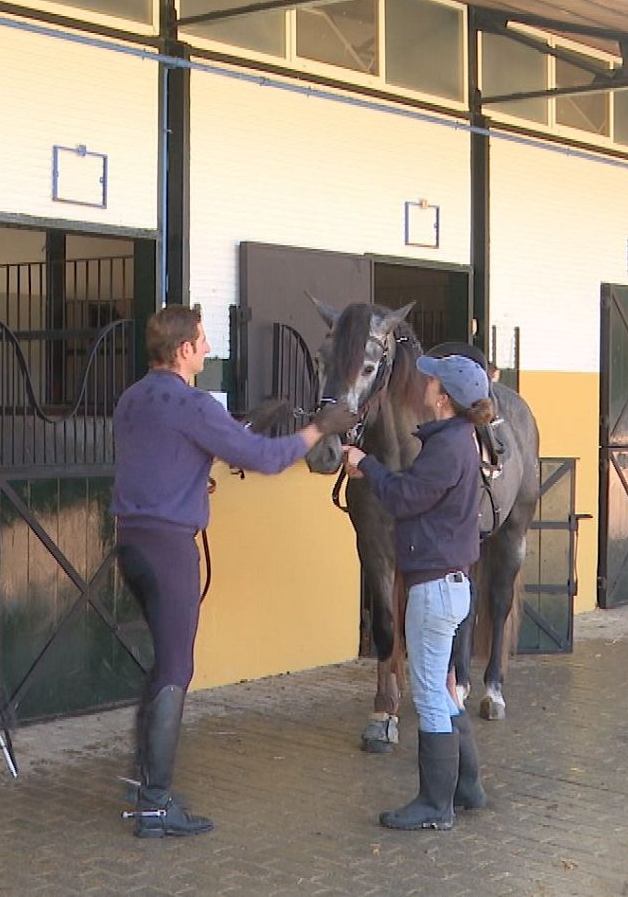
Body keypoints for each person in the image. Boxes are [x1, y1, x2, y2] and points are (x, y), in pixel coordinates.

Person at [111, 305, 359, 838]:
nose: (207, 350)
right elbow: (266, 460)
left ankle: (147, 783)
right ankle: (154, 806)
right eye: (201, 342)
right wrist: (321, 427)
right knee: (176, 669)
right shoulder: (192, 402)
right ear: (182, 351)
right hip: (170, 549)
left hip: (131, 543)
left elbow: (177, 450)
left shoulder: (132, 398)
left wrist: (243, 426)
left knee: (162, 665)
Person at [342, 353, 490, 831]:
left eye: (434, 380)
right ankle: (467, 788)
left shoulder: (447, 447)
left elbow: (408, 497)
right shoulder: (456, 439)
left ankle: (434, 804)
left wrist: (367, 464)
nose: (424, 382)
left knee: (428, 694)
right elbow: (416, 490)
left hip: (433, 588)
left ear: (443, 399)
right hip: (448, 585)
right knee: (443, 693)